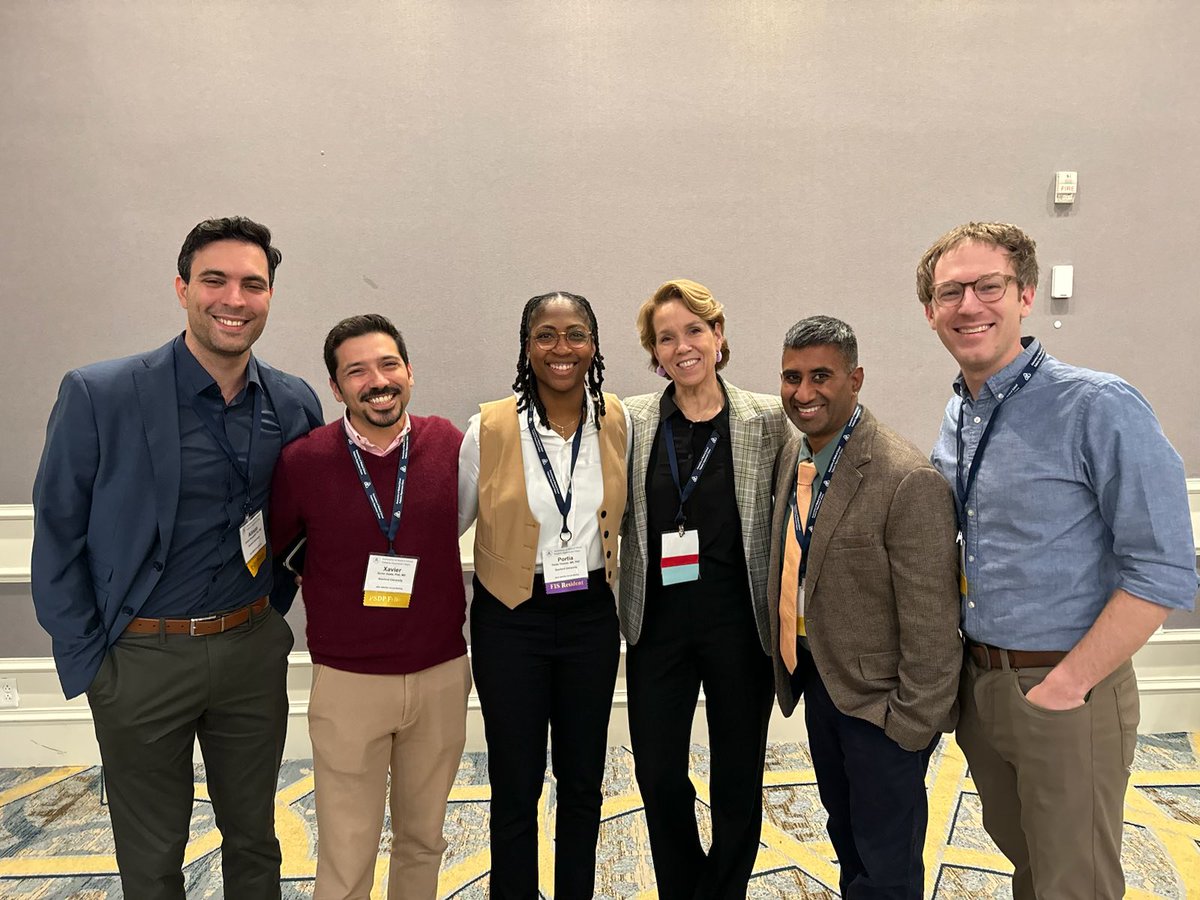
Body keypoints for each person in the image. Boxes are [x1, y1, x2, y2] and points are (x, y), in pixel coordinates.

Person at [31, 216, 323, 899]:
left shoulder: (291, 400)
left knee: (255, 835)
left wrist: (271, 615)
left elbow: (302, 519)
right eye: (214, 280)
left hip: (250, 648)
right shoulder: (99, 394)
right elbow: (57, 536)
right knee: (154, 849)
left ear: (270, 297)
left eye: (253, 284)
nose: (234, 298)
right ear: (182, 288)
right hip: (140, 661)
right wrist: (95, 664)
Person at [917, 222, 1197, 899]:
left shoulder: (1098, 405)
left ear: (1026, 294)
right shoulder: (961, 414)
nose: (969, 306)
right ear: (930, 311)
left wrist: (1069, 685)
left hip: (1069, 689)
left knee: (1078, 883)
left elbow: (1165, 568)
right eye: (950, 292)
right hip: (983, 687)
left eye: (990, 286)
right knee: (1031, 868)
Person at [270, 314, 469, 900]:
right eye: (356, 371)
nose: (376, 381)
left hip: (439, 673)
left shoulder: (451, 445)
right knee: (347, 846)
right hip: (349, 681)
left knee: (424, 839)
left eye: (387, 365)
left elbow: (459, 522)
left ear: (409, 372)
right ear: (336, 388)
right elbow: (284, 545)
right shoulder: (302, 462)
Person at [766, 315, 960, 899]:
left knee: (887, 858)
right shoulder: (794, 458)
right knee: (846, 835)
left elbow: (932, 620)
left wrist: (909, 726)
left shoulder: (904, 478)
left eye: (821, 376)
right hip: (823, 684)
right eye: (792, 376)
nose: (804, 393)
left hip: (883, 707)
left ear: (856, 379)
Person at [619, 278, 787, 899]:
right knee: (659, 773)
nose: (683, 346)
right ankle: (684, 886)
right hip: (656, 625)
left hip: (739, 624)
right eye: (667, 337)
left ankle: (726, 889)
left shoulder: (767, 420)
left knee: (737, 775)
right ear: (654, 352)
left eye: (694, 330)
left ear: (718, 336)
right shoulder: (632, 421)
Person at [458, 292, 628, 900]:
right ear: (527, 346)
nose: (562, 349)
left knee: (582, 780)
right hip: (511, 618)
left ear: (594, 345)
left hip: (589, 617)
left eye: (576, 334)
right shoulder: (490, 429)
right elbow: (448, 522)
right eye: (547, 335)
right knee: (516, 780)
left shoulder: (618, 422)